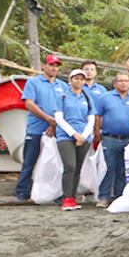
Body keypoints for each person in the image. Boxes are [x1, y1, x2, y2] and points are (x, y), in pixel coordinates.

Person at [14, 53, 66, 202]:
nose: (54, 68)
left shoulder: (62, 86)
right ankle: (22, 192)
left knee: (56, 162)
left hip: (57, 129)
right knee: (30, 161)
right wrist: (48, 119)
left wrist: (56, 123)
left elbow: (65, 106)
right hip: (36, 128)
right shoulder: (34, 82)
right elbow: (29, 103)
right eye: (51, 65)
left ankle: (57, 192)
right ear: (44, 66)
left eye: (56, 66)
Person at [94, 71, 129, 207]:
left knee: (123, 170)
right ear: (114, 83)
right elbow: (98, 116)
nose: (124, 83)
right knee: (107, 168)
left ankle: (120, 196)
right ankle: (104, 196)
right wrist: (97, 131)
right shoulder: (105, 97)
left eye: (126, 81)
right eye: (120, 80)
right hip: (109, 137)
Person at [53, 68, 96, 210]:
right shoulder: (62, 96)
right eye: (76, 78)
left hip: (84, 136)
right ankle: (66, 198)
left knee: (77, 168)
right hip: (65, 136)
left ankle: (72, 198)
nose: (79, 81)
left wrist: (83, 136)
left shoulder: (87, 97)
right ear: (70, 80)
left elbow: (91, 119)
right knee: (69, 166)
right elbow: (59, 118)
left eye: (82, 79)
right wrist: (73, 134)